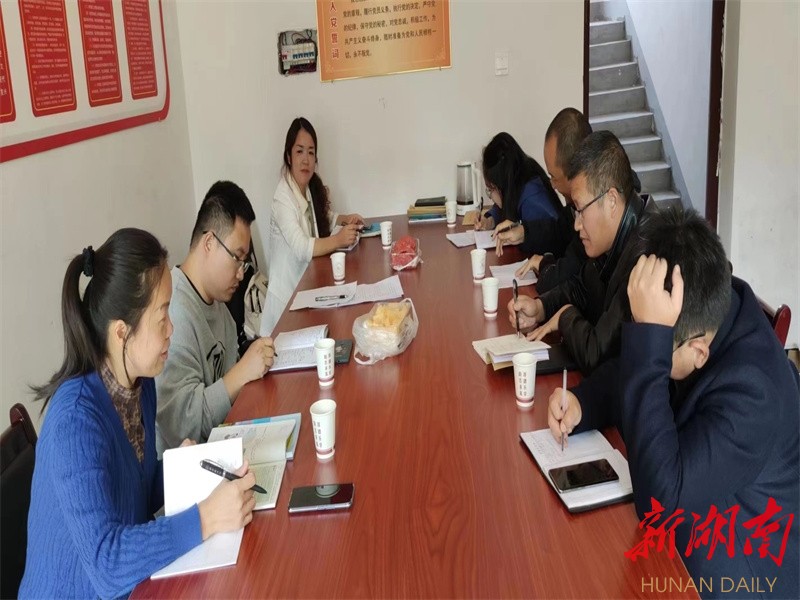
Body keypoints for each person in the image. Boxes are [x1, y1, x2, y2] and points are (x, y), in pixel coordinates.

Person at [548, 208, 799, 598]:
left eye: (657, 349)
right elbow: (633, 367)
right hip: (697, 511)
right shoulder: (701, 299)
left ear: (699, 351)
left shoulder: (755, 393)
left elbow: (659, 505)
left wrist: (650, 343)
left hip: (743, 565)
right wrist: (584, 402)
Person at [20, 229, 256, 599]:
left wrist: (180, 469)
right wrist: (206, 518)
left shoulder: (140, 384)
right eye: (162, 316)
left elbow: (132, 492)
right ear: (121, 332)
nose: (171, 329)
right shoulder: (75, 421)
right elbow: (107, 564)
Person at [507, 130, 655, 373]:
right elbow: (581, 286)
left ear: (611, 201)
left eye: (580, 210)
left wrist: (565, 317)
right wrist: (540, 308)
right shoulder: (615, 234)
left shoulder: (646, 257)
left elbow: (597, 353)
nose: (576, 225)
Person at [155, 182, 275, 455]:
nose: (241, 273)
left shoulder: (218, 304)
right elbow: (182, 428)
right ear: (209, 242)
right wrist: (242, 372)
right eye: (237, 258)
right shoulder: (173, 314)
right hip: (189, 468)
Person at [262, 117, 365, 336]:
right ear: (288, 156)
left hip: (307, 289)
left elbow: (322, 217)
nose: (306, 160)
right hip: (285, 306)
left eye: (311, 152)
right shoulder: (282, 198)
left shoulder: (307, 188)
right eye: (299, 151)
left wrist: (345, 219)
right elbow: (302, 247)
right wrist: (338, 240)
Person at [475, 132, 563, 257]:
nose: (491, 196)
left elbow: (544, 243)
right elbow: (507, 207)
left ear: (503, 185)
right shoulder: (519, 178)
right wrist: (490, 220)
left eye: (491, 189)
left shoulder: (532, 201)